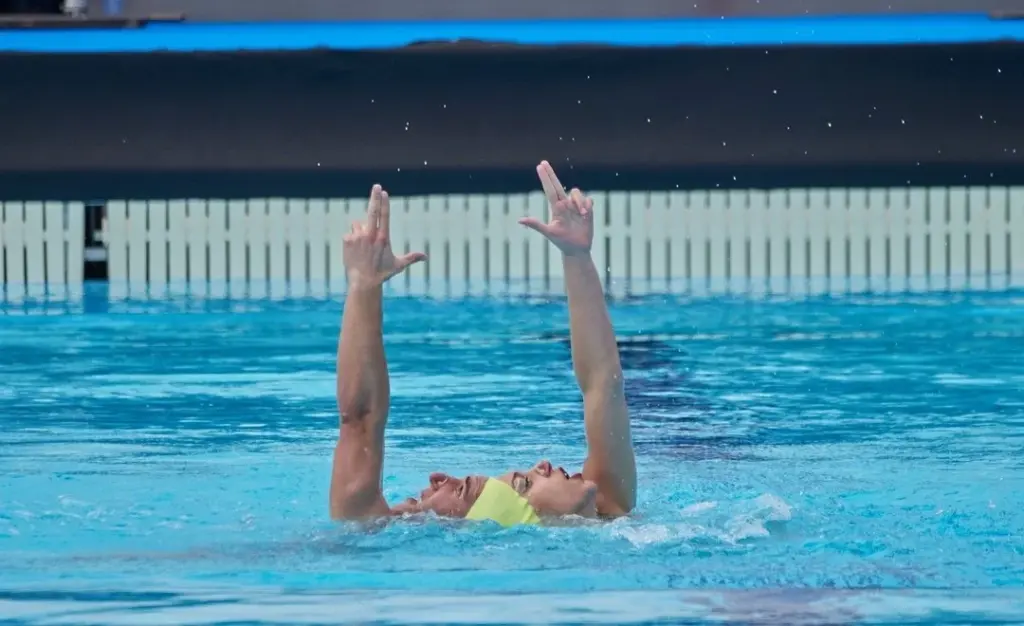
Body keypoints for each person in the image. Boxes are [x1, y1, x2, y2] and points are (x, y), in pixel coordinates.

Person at [330, 161, 636, 526]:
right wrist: (577, 258)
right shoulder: (609, 508)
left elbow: (358, 422)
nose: (541, 463)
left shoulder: (373, 529)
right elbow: (605, 385)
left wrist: (364, 288)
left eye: (524, 479)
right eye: (525, 481)